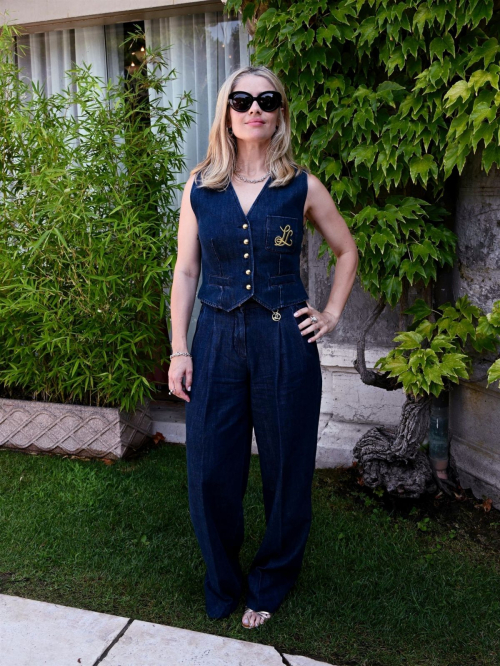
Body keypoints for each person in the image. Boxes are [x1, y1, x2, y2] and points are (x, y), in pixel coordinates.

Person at [168, 65, 358, 629]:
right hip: (218, 340)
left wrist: (329, 314)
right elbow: (185, 271)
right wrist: (180, 349)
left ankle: (271, 581)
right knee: (209, 469)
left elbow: (345, 251)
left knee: (287, 468)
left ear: (279, 113)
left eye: (266, 99)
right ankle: (224, 581)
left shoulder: (301, 185)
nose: (255, 108)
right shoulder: (200, 187)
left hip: (284, 341)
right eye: (243, 99)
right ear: (227, 110)